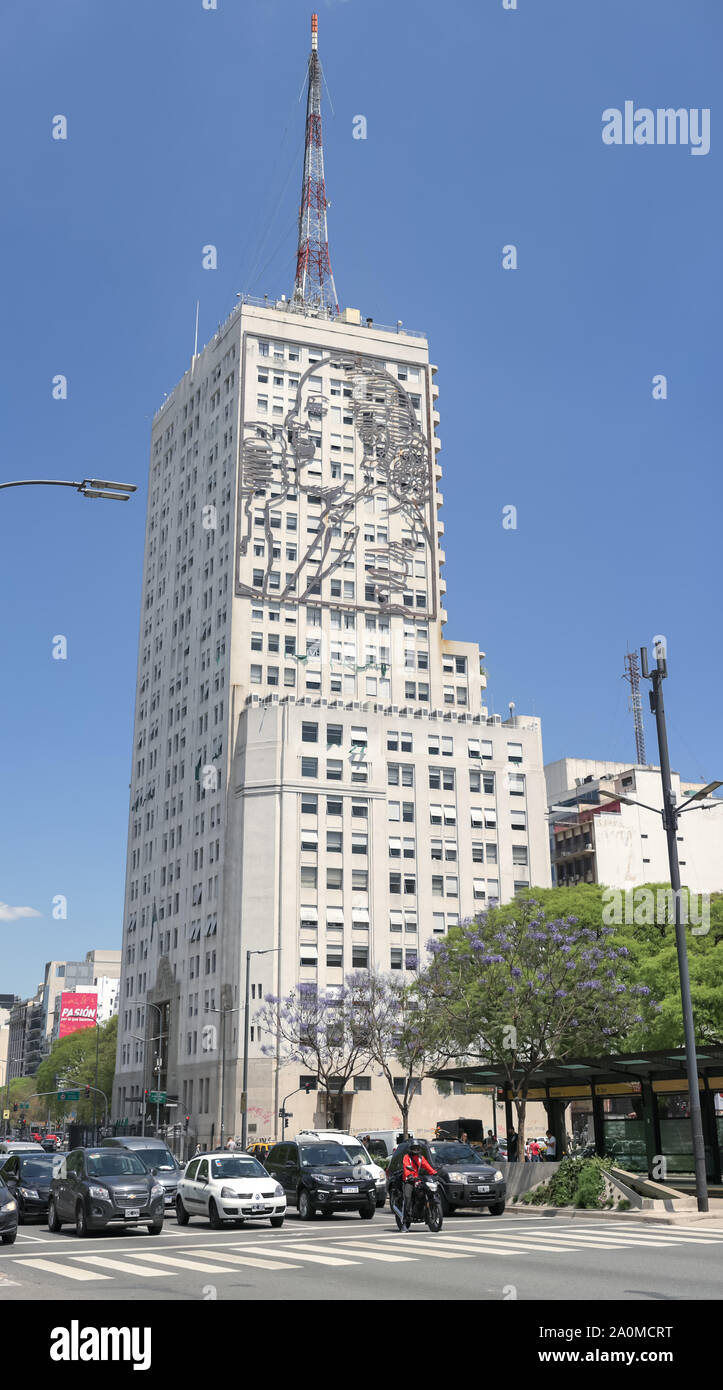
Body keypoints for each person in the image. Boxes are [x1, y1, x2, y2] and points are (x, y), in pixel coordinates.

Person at [401, 1141, 437, 1230]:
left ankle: (425, 1213)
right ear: (411, 1149)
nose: (416, 1150)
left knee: (427, 1191)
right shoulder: (407, 1157)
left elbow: (427, 1166)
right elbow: (406, 1167)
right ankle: (405, 1222)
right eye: (414, 1148)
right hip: (408, 1180)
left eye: (417, 1148)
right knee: (407, 1197)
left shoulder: (421, 1158)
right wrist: (409, 1175)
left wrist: (435, 1173)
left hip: (417, 1180)